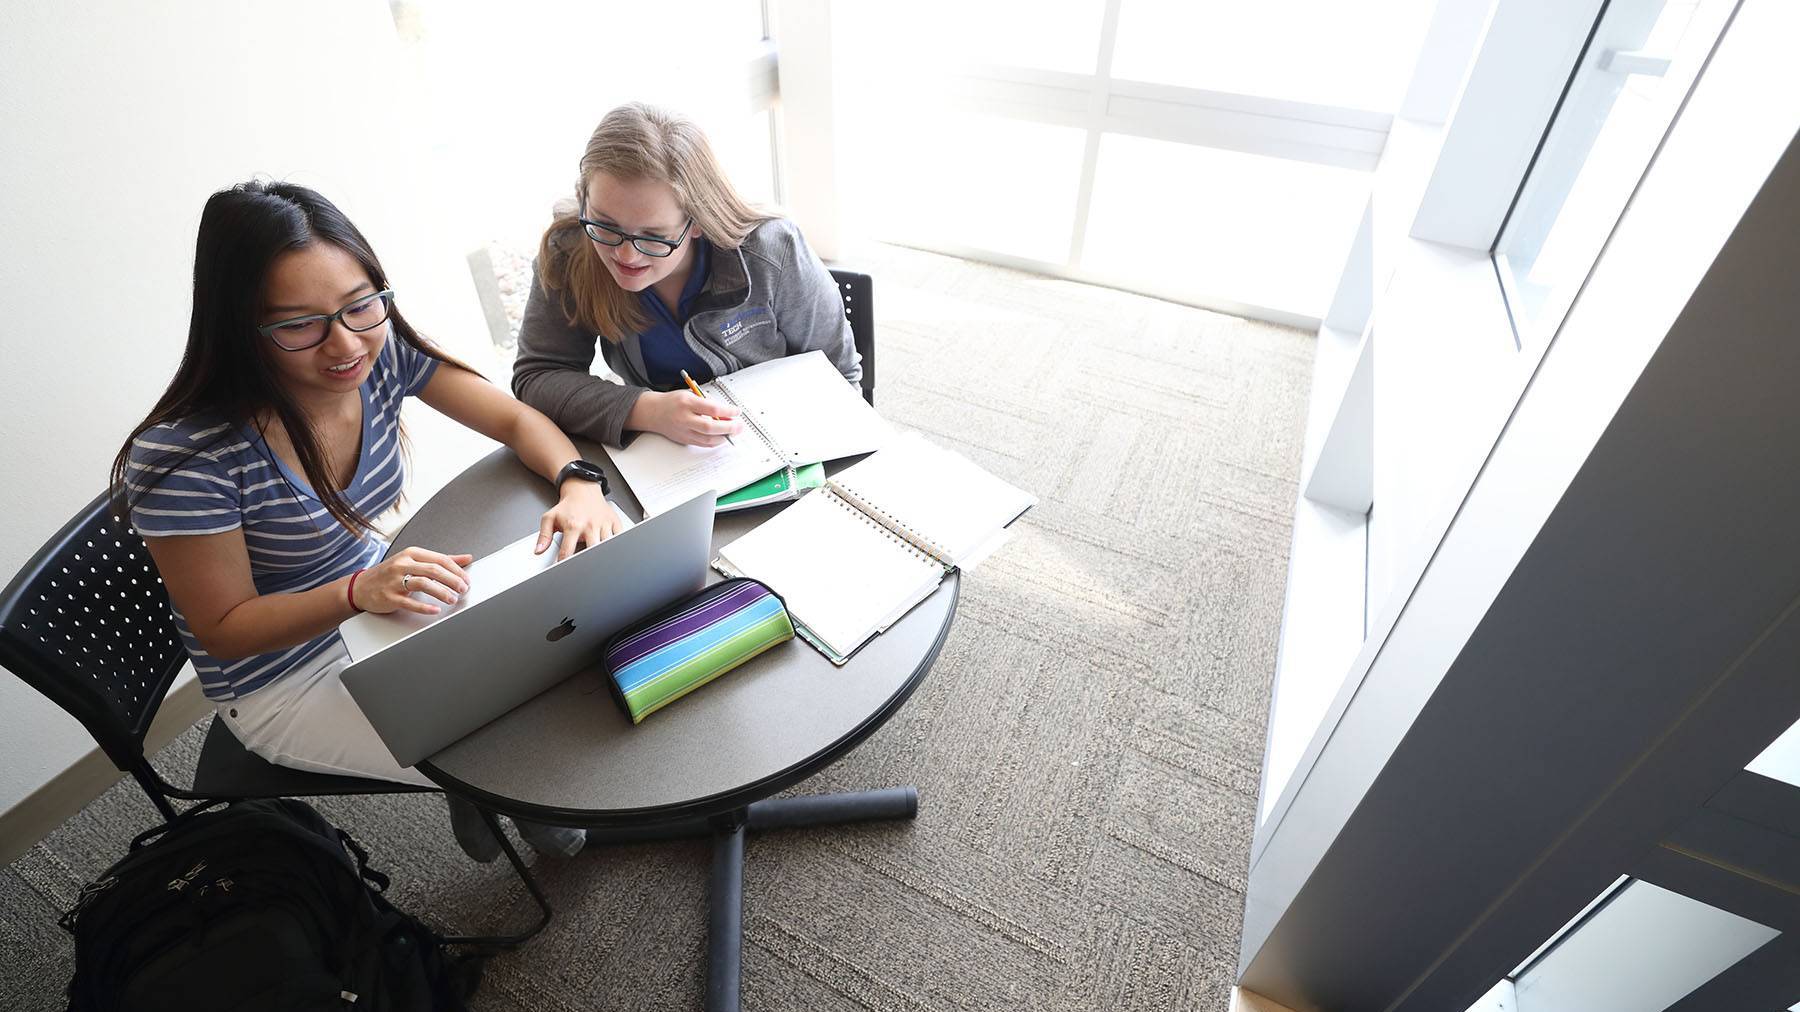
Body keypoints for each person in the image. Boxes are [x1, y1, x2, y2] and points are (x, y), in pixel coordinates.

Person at [113, 181, 622, 861]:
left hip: (382, 597)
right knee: (506, 742)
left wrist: (578, 480)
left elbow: (512, 417)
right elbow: (225, 630)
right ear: (240, 328)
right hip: (280, 678)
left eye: (361, 305)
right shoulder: (186, 459)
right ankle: (496, 796)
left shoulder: (376, 355)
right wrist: (358, 592)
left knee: (551, 649)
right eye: (300, 324)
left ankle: (490, 791)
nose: (344, 344)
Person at [513, 102, 859, 448]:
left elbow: (837, 374)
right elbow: (537, 376)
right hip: (668, 460)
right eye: (604, 225)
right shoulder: (569, 251)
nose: (625, 255)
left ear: (697, 222)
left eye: (654, 236)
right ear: (583, 197)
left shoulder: (772, 250)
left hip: (784, 439)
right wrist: (645, 409)